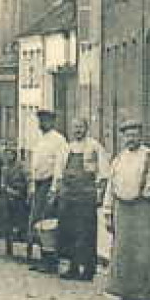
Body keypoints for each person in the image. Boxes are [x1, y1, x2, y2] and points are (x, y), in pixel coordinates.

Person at [102, 121, 150, 300]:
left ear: (141, 136)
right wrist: (108, 212)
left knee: (145, 253)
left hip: (141, 208)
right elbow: (110, 187)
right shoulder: (119, 158)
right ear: (123, 138)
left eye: (135, 135)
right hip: (121, 208)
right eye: (128, 136)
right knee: (122, 251)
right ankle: (125, 293)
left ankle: (147, 298)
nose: (131, 139)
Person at [52, 119, 108, 278]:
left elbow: (103, 173)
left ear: (86, 129)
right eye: (75, 127)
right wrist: (56, 191)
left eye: (81, 127)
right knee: (69, 232)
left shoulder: (95, 147)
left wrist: (100, 193)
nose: (78, 130)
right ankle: (73, 267)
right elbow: (58, 173)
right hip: (68, 194)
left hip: (86, 194)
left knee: (86, 232)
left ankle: (88, 269)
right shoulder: (65, 148)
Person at [26, 109, 68, 253]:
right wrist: (32, 184)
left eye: (46, 120)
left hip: (49, 183)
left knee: (48, 220)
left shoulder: (59, 140)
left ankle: (50, 259)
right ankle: (41, 255)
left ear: (53, 122)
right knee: (37, 220)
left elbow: (59, 165)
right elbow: (35, 163)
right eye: (41, 120)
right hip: (38, 183)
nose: (43, 123)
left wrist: (54, 189)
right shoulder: (39, 139)